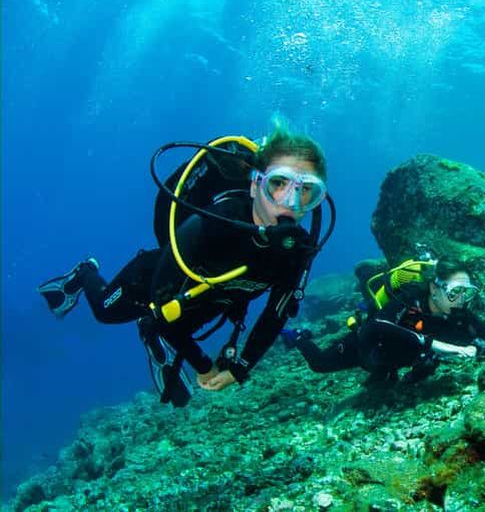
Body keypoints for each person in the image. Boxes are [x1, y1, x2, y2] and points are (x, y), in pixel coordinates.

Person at [36, 117, 333, 406]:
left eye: (306, 190)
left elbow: (276, 314)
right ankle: (85, 273)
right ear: (255, 185)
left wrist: (241, 366)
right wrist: (202, 364)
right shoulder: (213, 223)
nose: (290, 202)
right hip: (155, 282)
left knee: (173, 322)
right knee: (105, 312)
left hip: (208, 301)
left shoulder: (296, 251)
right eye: (278, 183)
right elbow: (163, 308)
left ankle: (150, 331)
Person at [284, 258, 485, 384]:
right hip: (365, 349)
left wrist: (477, 349)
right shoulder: (408, 300)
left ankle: (390, 375)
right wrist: (431, 344)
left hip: (397, 360)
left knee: (388, 380)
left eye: (468, 292)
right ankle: (300, 337)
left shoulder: (459, 313)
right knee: (319, 364)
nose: (462, 299)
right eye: (456, 291)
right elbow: (376, 326)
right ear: (434, 288)